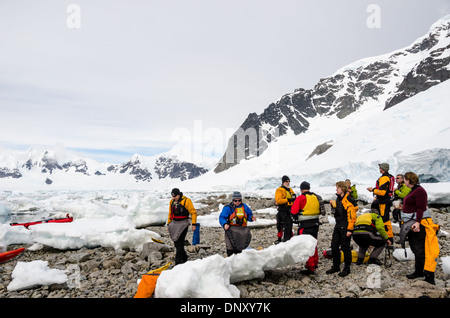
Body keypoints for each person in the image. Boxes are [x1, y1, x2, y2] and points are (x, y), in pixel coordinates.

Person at [400, 172, 440, 285]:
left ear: (409, 180)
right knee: (415, 246)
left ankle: (426, 274)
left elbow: (421, 208)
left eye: (404, 179)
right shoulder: (414, 190)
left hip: (419, 223)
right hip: (412, 222)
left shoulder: (420, 191)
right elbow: (414, 205)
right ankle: (419, 271)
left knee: (419, 248)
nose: (404, 181)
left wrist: (418, 222)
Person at [291, 181, 325, 275]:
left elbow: (294, 211)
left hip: (305, 225)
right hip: (315, 224)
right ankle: (315, 263)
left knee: (307, 245)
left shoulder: (301, 197)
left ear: (301, 189)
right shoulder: (316, 197)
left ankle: (310, 268)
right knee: (314, 243)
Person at [326, 181, 358, 277]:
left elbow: (352, 216)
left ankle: (347, 268)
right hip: (338, 225)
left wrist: (350, 230)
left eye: (338, 188)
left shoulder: (348, 199)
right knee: (334, 246)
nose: (336, 189)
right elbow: (340, 206)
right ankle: (336, 266)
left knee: (345, 247)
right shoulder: (339, 198)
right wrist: (334, 203)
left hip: (346, 225)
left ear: (342, 189)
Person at [219, 191, 256, 256]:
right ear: (233, 200)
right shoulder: (228, 208)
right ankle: (231, 259)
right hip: (231, 230)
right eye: (235, 201)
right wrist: (224, 224)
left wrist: (251, 218)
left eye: (239, 200)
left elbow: (249, 215)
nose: (237, 202)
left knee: (241, 248)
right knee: (230, 247)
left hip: (243, 230)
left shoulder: (244, 207)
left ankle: (240, 261)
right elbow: (222, 217)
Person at [167, 188, 197, 265]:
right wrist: (168, 224)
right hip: (174, 223)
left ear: (179, 194)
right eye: (173, 196)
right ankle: (184, 258)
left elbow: (193, 212)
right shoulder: (172, 202)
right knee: (176, 242)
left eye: (175, 196)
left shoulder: (187, 201)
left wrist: (194, 224)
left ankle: (178, 262)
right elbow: (170, 214)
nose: (174, 198)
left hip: (184, 223)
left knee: (180, 241)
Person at [367, 163, 394, 243]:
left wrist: (373, 190)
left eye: (380, 168)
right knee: (385, 218)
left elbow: (382, 192)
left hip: (383, 202)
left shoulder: (384, 178)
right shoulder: (390, 177)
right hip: (386, 200)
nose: (379, 169)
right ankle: (387, 237)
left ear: (382, 169)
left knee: (384, 219)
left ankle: (388, 238)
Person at [274, 176, 296, 243]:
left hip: (289, 210)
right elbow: (278, 200)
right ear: (283, 182)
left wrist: (294, 199)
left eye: (289, 181)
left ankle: (288, 238)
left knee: (289, 225)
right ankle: (282, 239)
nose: (288, 183)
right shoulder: (279, 190)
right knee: (281, 226)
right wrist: (288, 200)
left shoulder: (290, 190)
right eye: (286, 181)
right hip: (282, 210)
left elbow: (294, 197)